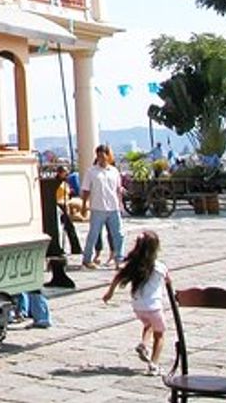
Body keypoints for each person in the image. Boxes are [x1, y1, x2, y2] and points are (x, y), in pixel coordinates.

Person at [101, 230, 169, 375]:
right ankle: (154, 365)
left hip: (138, 307)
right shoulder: (160, 267)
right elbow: (169, 281)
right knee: (159, 334)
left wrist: (110, 293)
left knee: (148, 325)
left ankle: (143, 344)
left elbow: (118, 278)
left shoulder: (134, 265)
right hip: (154, 307)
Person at [81, 144, 124, 270]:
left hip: (113, 207)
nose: (101, 158)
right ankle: (87, 259)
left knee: (118, 234)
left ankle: (119, 259)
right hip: (98, 207)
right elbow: (86, 190)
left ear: (108, 156)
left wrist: (120, 204)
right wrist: (84, 205)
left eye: (103, 155)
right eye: (98, 156)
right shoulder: (91, 172)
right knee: (93, 234)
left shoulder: (114, 171)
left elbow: (117, 189)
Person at [54, 166, 82, 255]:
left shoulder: (66, 182)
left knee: (69, 228)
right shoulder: (56, 182)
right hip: (59, 206)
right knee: (64, 228)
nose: (66, 174)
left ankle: (76, 248)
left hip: (65, 206)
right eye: (64, 172)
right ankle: (62, 248)